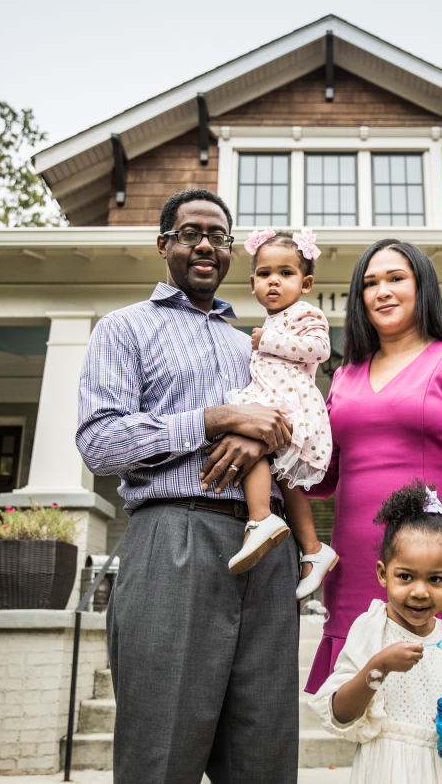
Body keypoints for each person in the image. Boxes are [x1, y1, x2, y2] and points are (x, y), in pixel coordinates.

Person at [76, 188, 299, 784]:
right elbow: (99, 445)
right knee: (162, 748)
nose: (205, 245)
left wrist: (261, 435)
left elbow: (290, 425)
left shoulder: (251, 343)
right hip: (172, 535)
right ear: (164, 244)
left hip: (266, 548)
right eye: (190, 233)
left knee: (265, 748)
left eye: (219, 237)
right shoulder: (124, 329)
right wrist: (212, 419)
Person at [297, 239, 442, 773]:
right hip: (359, 568)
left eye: (395, 278)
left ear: (422, 285)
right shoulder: (346, 375)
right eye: (369, 283)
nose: (381, 291)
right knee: (375, 718)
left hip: (433, 564)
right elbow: (318, 472)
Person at [310, 481, 442, 784]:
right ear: (384, 574)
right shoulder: (372, 627)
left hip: (437, 772)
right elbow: (339, 713)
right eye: (405, 576)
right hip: (385, 772)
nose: (420, 591)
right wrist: (379, 666)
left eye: (435, 579)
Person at [222, 227, 339, 599]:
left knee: (248, 441)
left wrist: (266, 341)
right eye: (265, 273)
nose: (274, 281)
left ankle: (260, 519)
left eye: (286, 274)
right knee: (287, 482)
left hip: (290, 407)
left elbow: (319, 349)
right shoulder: (272, 320)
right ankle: (314, 550)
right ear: (252, 282)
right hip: (272, 402)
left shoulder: (305, 312)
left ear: (305, 284)